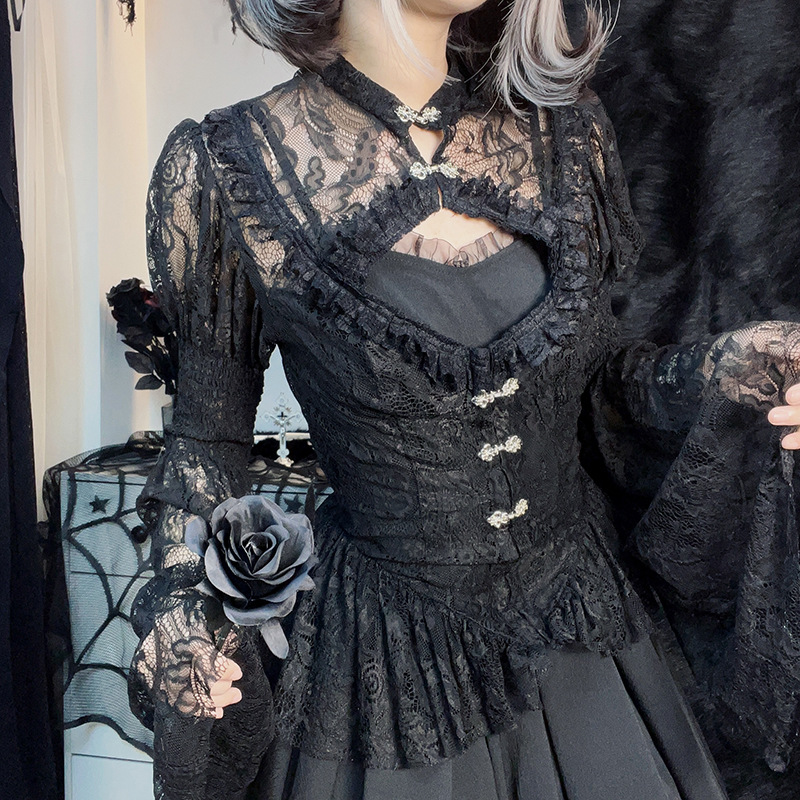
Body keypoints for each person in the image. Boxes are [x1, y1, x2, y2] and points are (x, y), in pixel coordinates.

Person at [126, 0, 800, 797]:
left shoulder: (567, 132)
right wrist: (180, 602)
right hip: (383, 672)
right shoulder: (226, 164)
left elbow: (597, 388)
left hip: (582, 636)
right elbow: (207, 444)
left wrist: (740, 365)